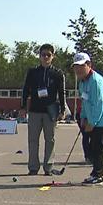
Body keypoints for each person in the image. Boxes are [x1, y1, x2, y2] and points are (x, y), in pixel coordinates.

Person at [21, 43, 67, 176]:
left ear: (53, 56)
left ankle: (48, 166)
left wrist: (63, 110)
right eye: (43, 55)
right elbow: (26, 90)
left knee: (50, 139)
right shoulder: (33, 72)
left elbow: (62, 93)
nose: (46, 57)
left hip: (50, 111)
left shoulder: (58, 74)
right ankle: (33, 167)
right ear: (39, 56)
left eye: (48, 55)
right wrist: (23, 106)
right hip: (35, 110)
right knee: (33, 139)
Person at [72, 52, 103, 185]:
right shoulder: (82, 82)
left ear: (89, 65)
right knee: (93, 145)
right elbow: (85, 101)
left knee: (98, 146)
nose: (78, 69)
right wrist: (83, 118)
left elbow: (99, 103)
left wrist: (92, 122)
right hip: (94, 119)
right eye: (76, 66)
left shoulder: (95, 81)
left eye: (81, 65)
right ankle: (95, 172)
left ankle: (98, 175)